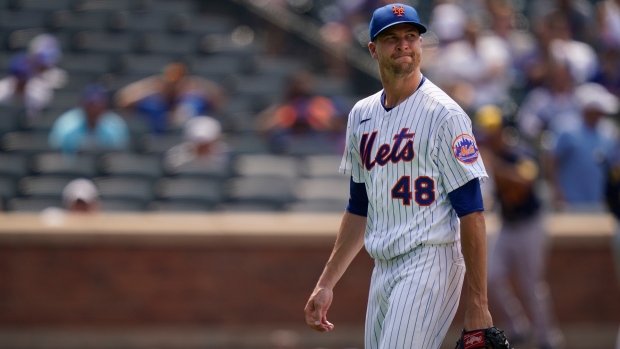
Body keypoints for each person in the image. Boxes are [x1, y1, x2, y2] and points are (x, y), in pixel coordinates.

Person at [304, 4, 494, 348]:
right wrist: (326, 282)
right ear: (374, 49)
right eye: (392, 38)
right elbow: (359, 207)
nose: (404, 44)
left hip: (431, 258)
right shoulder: (361, 115)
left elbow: (472, 212)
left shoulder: (445, 114)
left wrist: (478, 303)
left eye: (411, 36)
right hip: (385, 265)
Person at [474, 105, 564, 349]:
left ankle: (547, 338)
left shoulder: (520, 153)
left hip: (530, 226)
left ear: (503, 130)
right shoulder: (486, 158)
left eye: (492, 131)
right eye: (485, 132)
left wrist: (493, 164)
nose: (488, 137)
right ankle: (517, 327)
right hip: (507, 224)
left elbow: (524, 182)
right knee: (490, 277)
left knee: (531, 286)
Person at [549, 82, 619, 211]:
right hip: (569, 202)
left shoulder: (608, 134)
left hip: (598, 202)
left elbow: (614, 166)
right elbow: (553, 161)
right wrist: (557, 192)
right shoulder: (567, 131)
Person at [115, 61, 226, 134]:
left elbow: (220, 100)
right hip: (157, 146)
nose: (173, 87)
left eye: (178, 83)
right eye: (170, 83)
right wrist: (152, 84)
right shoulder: (153, 103)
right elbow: (122, 100)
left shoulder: (193, 102)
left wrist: (195, 83)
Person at [49, 84, 130, 154]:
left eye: (99, 105)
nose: (94, 109)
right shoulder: (66, 124)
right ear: (82, 104)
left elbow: (118, 155)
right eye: (91, 104)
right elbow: (58, 154)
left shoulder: (115, 125)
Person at [163, 115, 231, 178]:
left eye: (206, 143)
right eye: (198, 142)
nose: (202, 146)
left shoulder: (224, 155)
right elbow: (171, 170)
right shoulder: (176, 155)